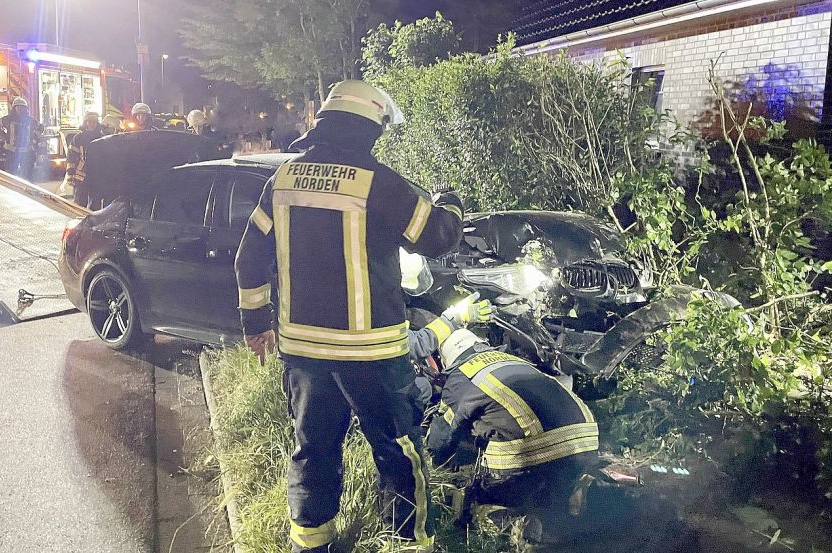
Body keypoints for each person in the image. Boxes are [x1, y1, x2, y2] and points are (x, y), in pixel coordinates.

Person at [235, 80, 464, 553]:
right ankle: (407, 543)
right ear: (369, 127)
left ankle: (310, 543)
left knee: (313, 449)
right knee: (398, 451)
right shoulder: (378, 182)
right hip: (371, 353)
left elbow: (248, 260)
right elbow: (438, 236)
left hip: (303, 353)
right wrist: (452, 203)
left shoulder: (282, 180)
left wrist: (256, 324)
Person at [427, 329, 600, 525]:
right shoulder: (510, 359)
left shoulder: (459, 379)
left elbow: (442, 442)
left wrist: (435, 469)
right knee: (553, 481)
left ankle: (511, 521)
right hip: (586, 439)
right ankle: (572, 487)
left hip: (537, 455)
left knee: (473, 499)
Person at [63, 111, 107, 206]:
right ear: (85, 122)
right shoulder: (78, 138)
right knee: (79, 204)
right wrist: (70, 175)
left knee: (95, 204)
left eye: (94, 121)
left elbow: (106, 158)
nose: (92, 124)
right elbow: (71, 158)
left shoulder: (102, 138)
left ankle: (93, 221)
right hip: (81, 177)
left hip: (96, 176)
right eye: (89, 121)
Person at [0, 97, 41, 179]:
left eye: (22, 108)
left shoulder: (30, 120)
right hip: (11, 152)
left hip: (26, 152)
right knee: (10, 175)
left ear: (25, 109)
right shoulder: (8, 119)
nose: (20, 109)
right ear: (14, 108)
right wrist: (2, 135)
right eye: (18, 107)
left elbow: (41, 128)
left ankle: (26, 190)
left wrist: (34, 137)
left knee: (27, 176)